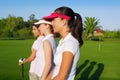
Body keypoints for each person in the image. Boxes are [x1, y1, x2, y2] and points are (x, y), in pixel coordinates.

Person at [44, 6, 83, 80]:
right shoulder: (63, 41)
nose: (51, 23)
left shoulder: (70, 43)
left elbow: (61, 77)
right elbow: (57, 67)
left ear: (64, 21)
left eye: (54, 19)